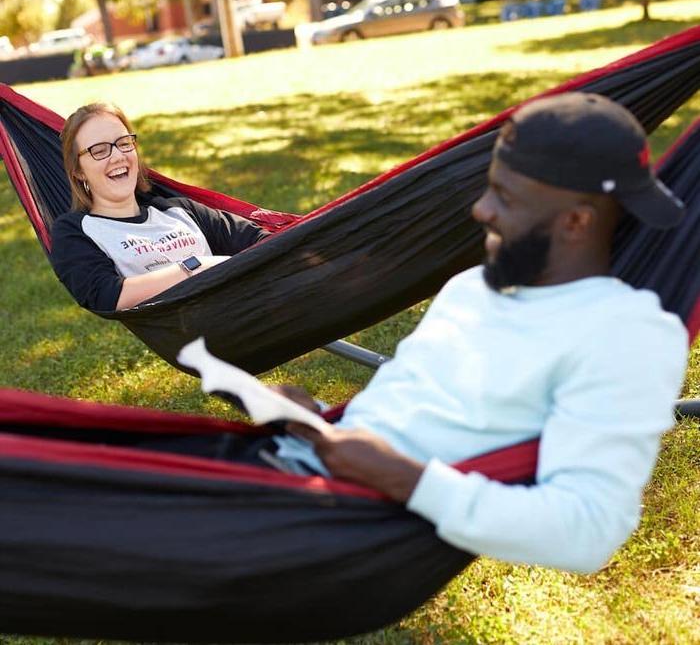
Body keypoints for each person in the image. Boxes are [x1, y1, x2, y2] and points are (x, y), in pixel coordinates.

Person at [271, 93, 688, 573]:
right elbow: (417, 415)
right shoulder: (470, 288)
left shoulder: (623, 332)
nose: (481, 210)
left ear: (576, 220)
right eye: (490, 188)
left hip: (334, 520)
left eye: (505, 198)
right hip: (288, 470)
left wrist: (403, 479)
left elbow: (588, 532)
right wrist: (319, 421)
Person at [50, 103, 269, 312]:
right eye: (99, 150)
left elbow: (264, 240)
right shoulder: (77, 231)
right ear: (78, 171)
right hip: (191, 329)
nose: (117, 156)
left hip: (248, 306)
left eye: (124, 143)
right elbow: (107, 296)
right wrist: (195, 267)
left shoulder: (180, 211)